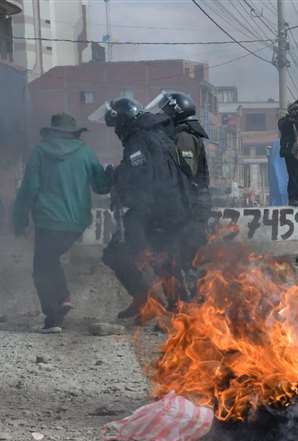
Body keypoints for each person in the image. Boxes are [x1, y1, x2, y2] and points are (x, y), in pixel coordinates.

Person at [12, 113, 111, 332]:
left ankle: (53, 317)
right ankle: (63, 298)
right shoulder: (85, 152)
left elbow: (29, 188)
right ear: (73, 132)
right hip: (77, 222)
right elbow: (102, 187)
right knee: (50, 258)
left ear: (51, 131)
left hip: (48, 220)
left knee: (41, 267)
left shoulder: (39, 152)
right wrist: (111, 173)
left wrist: (19, 219)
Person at [100, 97, 192, 318]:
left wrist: (115, 176)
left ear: (122, 123)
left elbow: (140, 175)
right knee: (161, 258)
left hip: (156, 209)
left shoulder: (138, 140)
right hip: (169, 208)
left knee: (119, 254)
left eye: (116, 126)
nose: (115, 132)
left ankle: (157, 303)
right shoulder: (157, 134)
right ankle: (170, 305)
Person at [151, 91, 212, 293]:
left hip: (191, 210)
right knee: (175, 261)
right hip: (187, 208)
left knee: (186, 263)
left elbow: (186, 172)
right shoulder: (179, 135)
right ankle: (184, 312)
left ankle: (194, 311)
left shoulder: (184, 137)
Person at [278, 99, 298, 206]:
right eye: (294, 110)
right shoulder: (284, 120)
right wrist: (291, 119)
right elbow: (282, 127)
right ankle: (292, 198)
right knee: (293, 175)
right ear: (290, 111)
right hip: (291, 152)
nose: (297, 112)